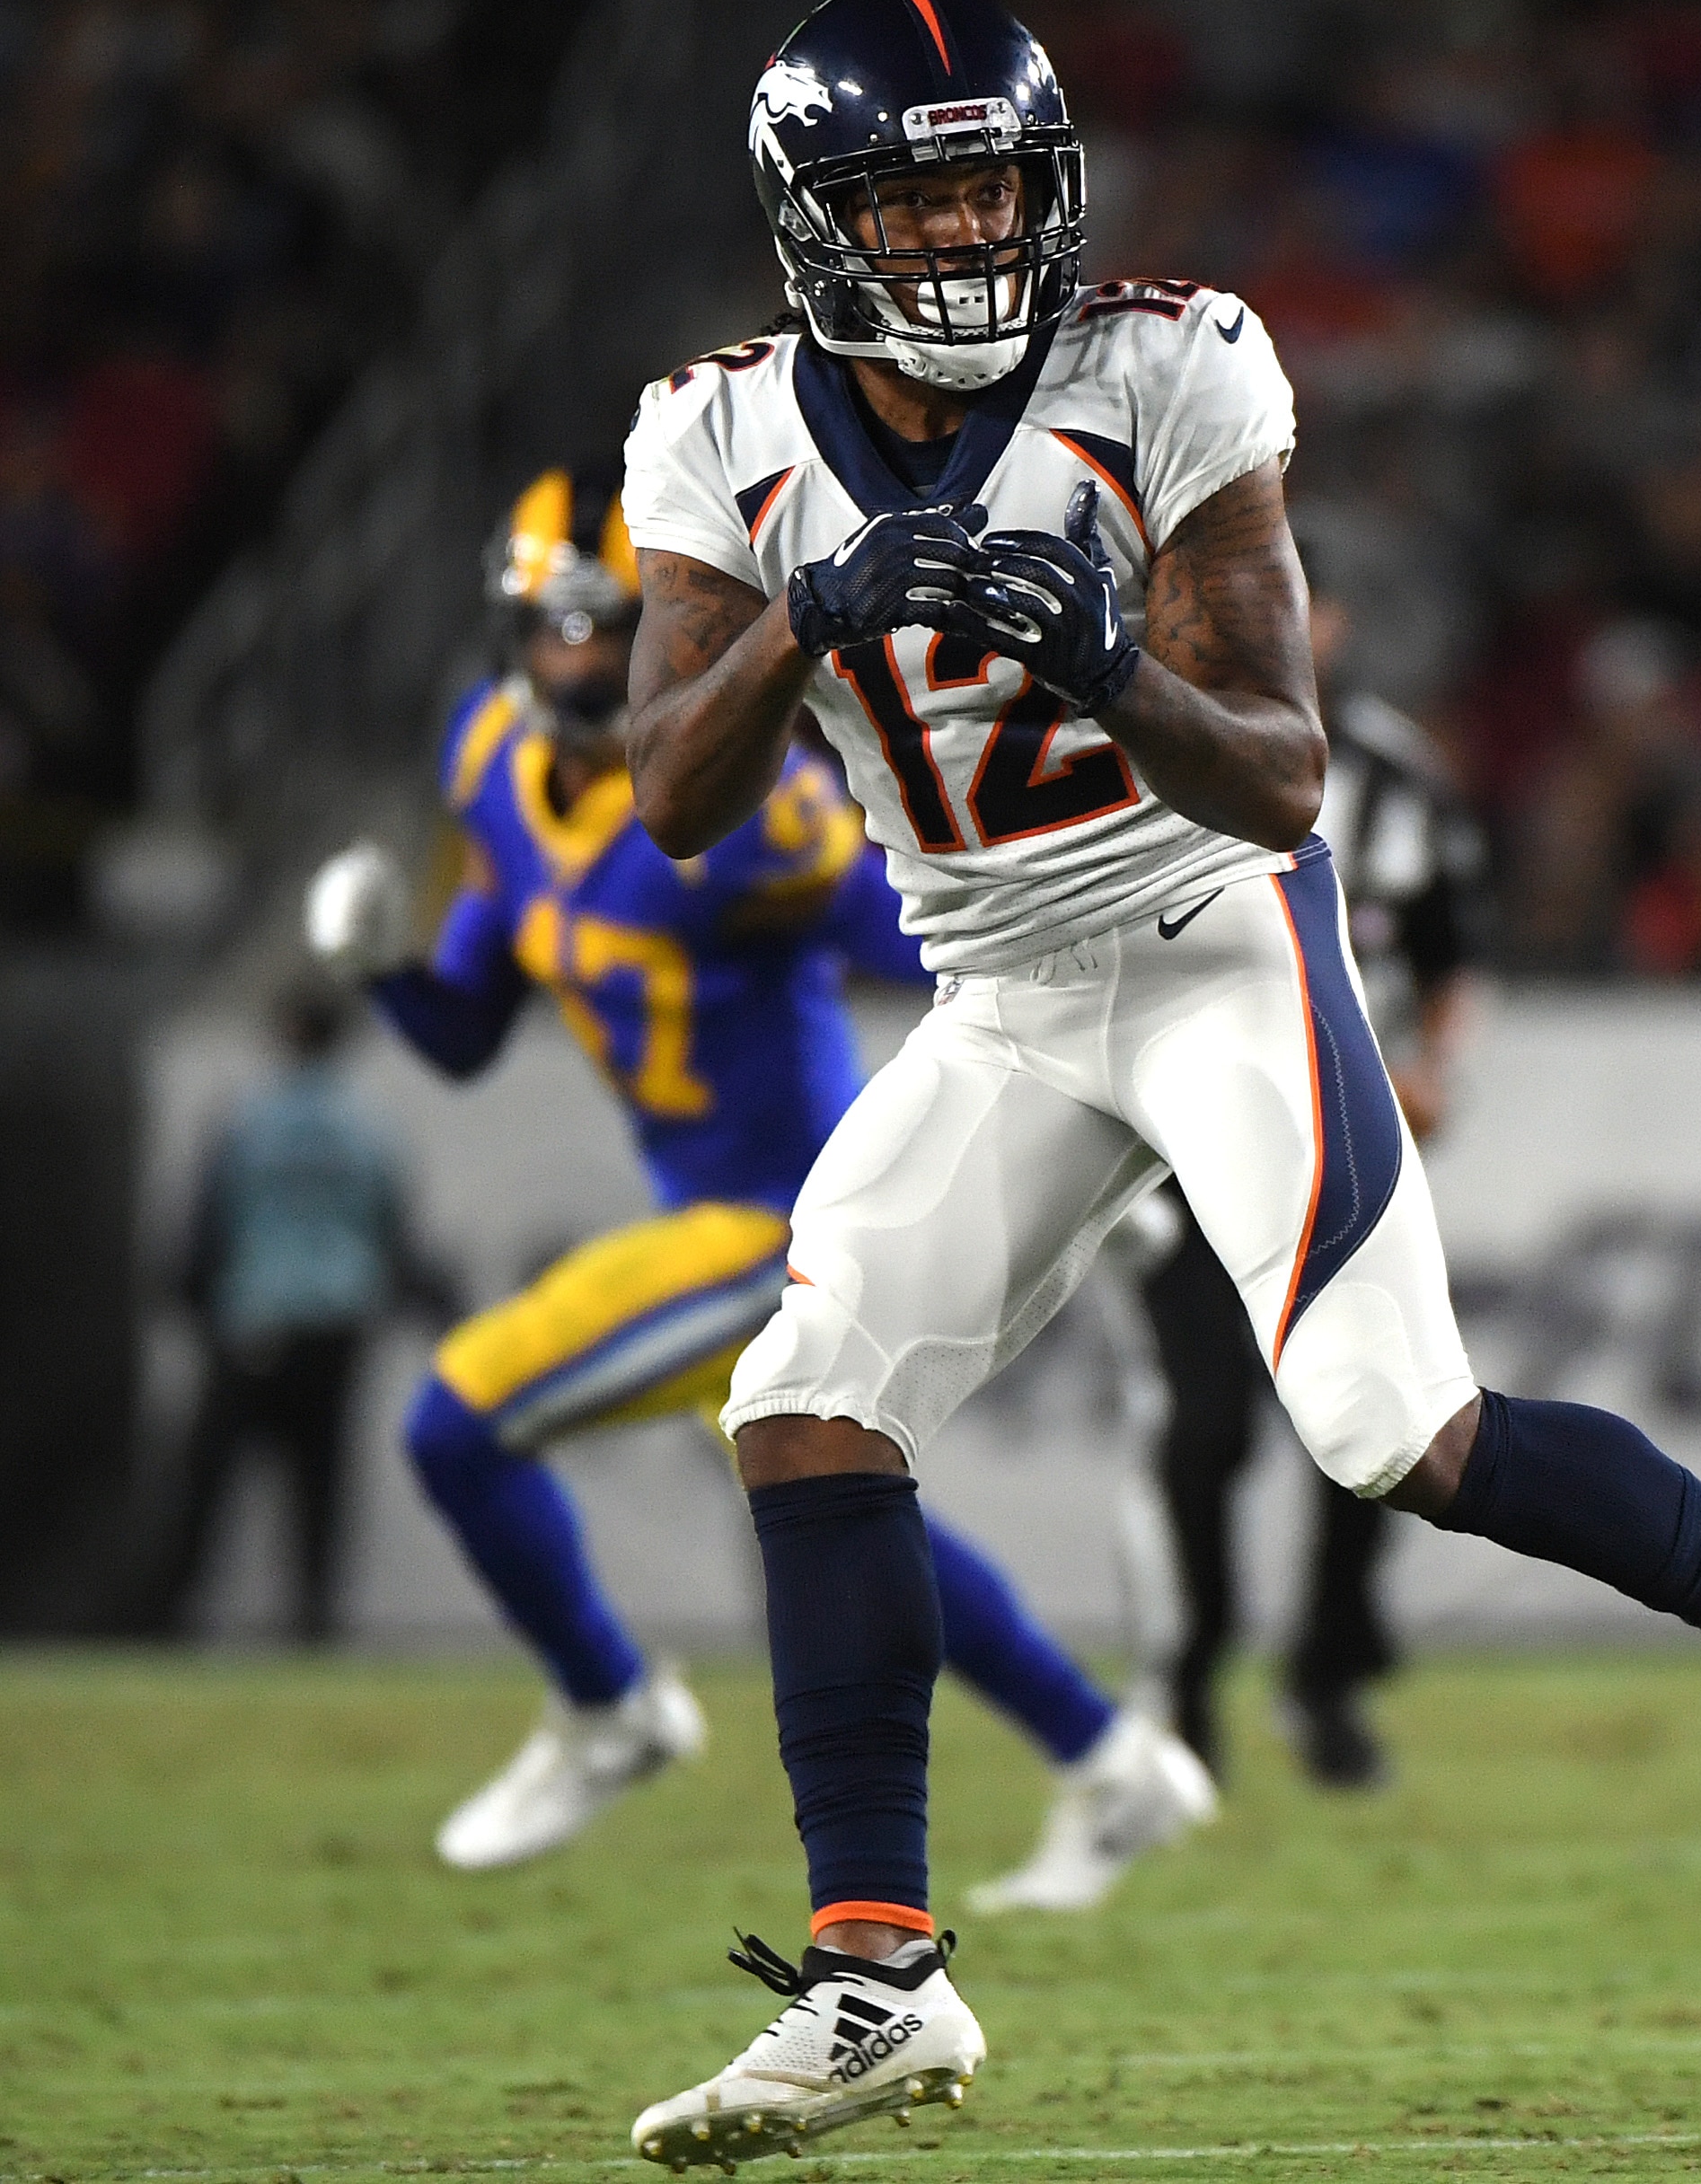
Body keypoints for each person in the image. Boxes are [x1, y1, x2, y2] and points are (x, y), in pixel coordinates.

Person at [613, 0, 1701, 2167]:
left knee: (1393, 1429)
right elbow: (673, 794)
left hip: (1201, 938)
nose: (971, 241)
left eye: (999, 188)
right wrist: (811, 614)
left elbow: (1284, 782)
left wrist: (1105, 656)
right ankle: (877, 1977)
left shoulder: (1163, 368)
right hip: (995, 991)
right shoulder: (717, 433)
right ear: (814, 225)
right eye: (918, 209)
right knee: (806, 1409)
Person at [304, 457, 1212, 1903]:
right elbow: (470, 1030)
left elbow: (946, 943)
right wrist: (382, 972)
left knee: (457, 1421)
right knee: (850, 1518)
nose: (578, 659)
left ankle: (613, 1707)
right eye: (556, 626)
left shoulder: (748, 813)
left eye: (611, 628)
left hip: (778, 1224)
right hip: (707, 1220)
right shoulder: (490, 768)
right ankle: (1114, 1763)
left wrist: (1083, 1137)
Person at [1149, 583, 1487, 1787]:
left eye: (1308, 600)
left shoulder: (1401, 774)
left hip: (1344, 1135)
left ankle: (1328, 1675)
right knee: (1207, 1430)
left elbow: (1452, 957)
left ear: (1335, 618)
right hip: (1190, 1135)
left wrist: (1435, 1066)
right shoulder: (1159, 738)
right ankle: (1188, 1676)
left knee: (1371, 1423)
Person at [152, 982, 436, 1642]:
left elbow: (205, 1225)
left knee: (209, 1484)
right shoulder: (367, 1128)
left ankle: (175, 1619)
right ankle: (314, 1623)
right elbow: (394, 1235)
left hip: (252, 1318)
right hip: (336, 1324)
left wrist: (193, 1304)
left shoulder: (248, 1119)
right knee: (320, 1483)